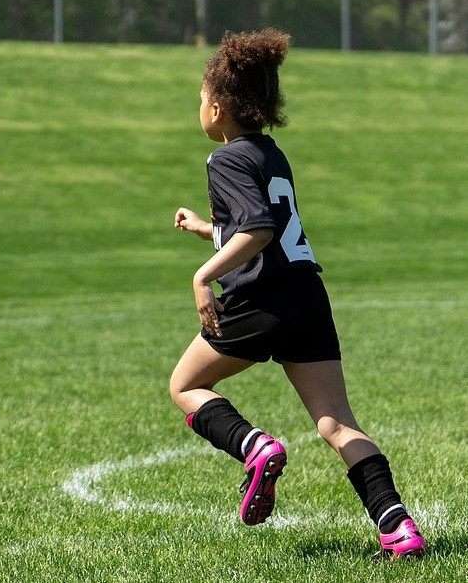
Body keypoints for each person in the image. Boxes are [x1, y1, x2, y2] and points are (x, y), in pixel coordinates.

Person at [170, 28, 426, 559]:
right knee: (335, 422)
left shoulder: (223, 160)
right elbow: (265, 228)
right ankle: (398, 528)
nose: (198, 107)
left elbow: (258, 230)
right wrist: (206, 230)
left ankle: (254, 447)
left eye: (199, 99)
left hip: (260, 299)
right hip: (306, 296)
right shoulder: (270, 154)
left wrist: (201, 276)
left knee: (185, 386)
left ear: (216, 109)